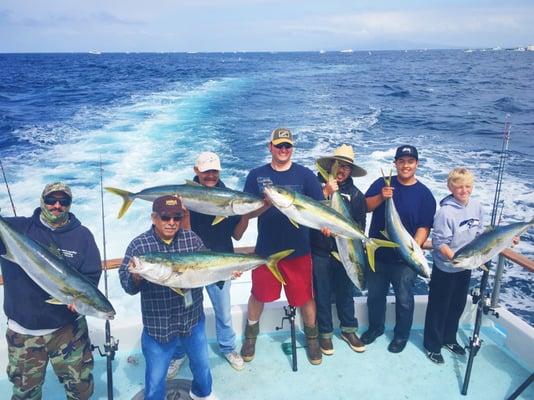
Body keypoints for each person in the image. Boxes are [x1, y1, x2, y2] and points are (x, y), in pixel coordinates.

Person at [0, 182, 101, 400]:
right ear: (42, 201)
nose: (57, 205)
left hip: (67, 331)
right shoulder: (16, 227)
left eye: (63, 201)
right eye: (51, 200)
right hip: (23, 333)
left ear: (69, 205)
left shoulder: (82, 236)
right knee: (25, 394)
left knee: (80, 390)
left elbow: (91, 280)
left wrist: (79, 303)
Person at [240, 127, 326, 365]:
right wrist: (267, 204)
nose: (283, 150)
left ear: (292, 149)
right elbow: (248, 212)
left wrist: (327, 226)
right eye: (279, 146)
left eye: (287, 146)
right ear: (270, 147)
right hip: (266, 251)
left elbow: (320, 209)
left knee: (306, 297)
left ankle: (312, 338)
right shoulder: (256, 175)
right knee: (258, 294)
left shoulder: (306, 175)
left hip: (299, 251)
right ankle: (250, 336)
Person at [119, 195, 216, 400]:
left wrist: (228, 271)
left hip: (192, 320)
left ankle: (202, 394)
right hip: (158, 325)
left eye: (176, 217)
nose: (171, 223)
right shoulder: (139, 246)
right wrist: (136, 276)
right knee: (155, 379)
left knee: (202, 367)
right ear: (154, 218)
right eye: (165, 217)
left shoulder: (191, 238)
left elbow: (210, 264)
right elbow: (127, 285)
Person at [167, 152, 248, 377]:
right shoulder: (182, 196)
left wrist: (245, 216)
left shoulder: (230, 196)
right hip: (190, 266)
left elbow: (238, 236)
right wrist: (184, 214)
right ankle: (178, 354)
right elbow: (180, 236)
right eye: (206, 172)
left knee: (223, 312)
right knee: (184, 313)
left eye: (214, 171)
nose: (211, 176)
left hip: (220, 264)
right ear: (197, 172)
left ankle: (229, 348)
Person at [362, 145, 436, 353]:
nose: (405, 165)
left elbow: (424, 227)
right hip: (377, 254)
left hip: (406, 259)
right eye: (401, 161)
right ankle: (375, 329)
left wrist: (413, 250)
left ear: (417, 164)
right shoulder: (381, 184)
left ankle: (401, 336)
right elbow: (366, 207)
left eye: (410, 161)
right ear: (395, 164)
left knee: (404, 299)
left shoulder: (425, 195)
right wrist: (382, 197)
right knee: (375, 296)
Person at [311, 144, 368, 355]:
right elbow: (307, 214)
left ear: (351, 171)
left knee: (346, 291)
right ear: (331, 166)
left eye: (346, 167)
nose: (342, 170)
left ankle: (349, 329)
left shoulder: (357, 195)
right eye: (338, 165)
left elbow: (360, 226)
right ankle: (324, 333)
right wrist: (325, 193)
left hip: (345, 251)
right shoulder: (315, 187)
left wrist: (345, 235)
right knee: (322, 293)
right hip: (320, 250)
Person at [423, 168, 484, 364]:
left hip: (465, 268)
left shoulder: (476, 206)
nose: (464, 190)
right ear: (450, 188)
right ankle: (432, 345)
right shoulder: (445, 212)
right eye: (459, 187)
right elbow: (440, 243)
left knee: (457, 305)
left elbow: (480, 234)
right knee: (439, 307)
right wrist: (456, 260)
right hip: (446, 268)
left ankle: (449, 339)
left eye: (467, 186)